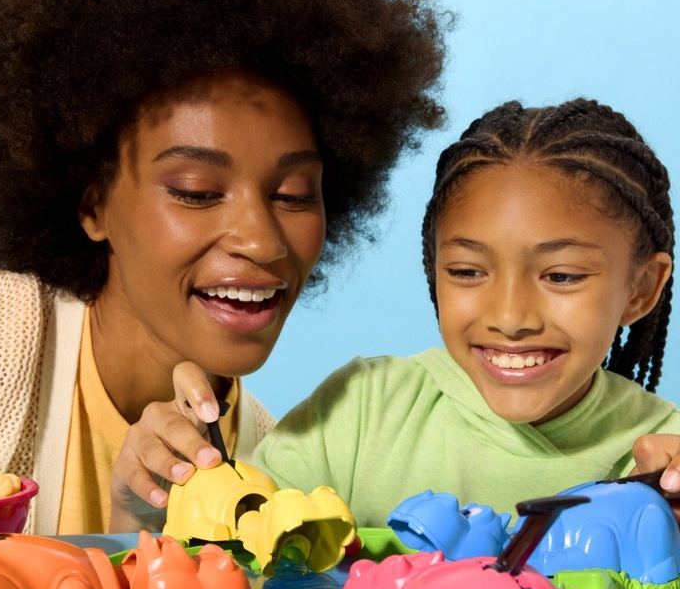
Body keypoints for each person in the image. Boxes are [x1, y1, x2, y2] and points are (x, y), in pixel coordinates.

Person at [0, 0, 448, 534]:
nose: (262, 242)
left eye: (292, 195)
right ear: (94, 206)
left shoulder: (272, 463)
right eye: (197, 192)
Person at [251, 98, 680, 526]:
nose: (509, 318)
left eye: (561, 276)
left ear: (640, 289)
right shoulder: (358, 413)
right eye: (467, 271)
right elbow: (239, 539)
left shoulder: (666, 455)